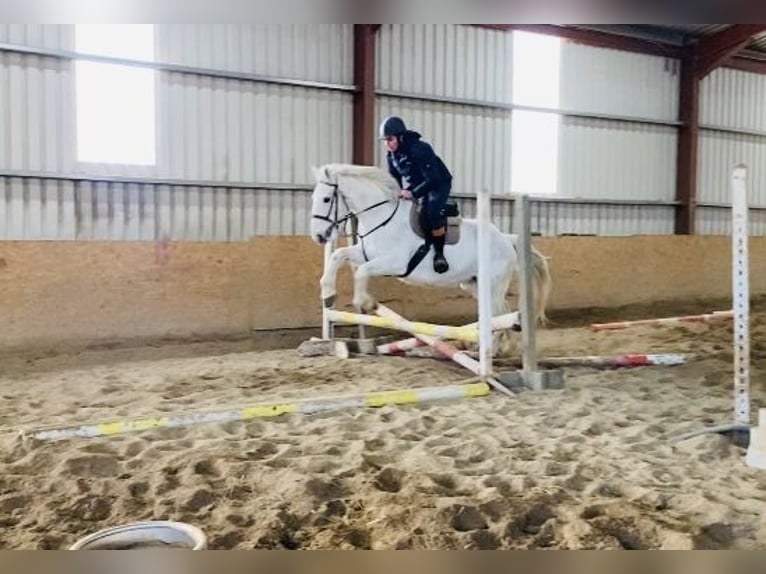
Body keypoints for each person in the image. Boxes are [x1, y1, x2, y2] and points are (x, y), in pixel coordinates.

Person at [379, 115, 453, 274]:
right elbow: (395, 179)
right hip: (419, 182)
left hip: (438, 183)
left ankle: (439, 255)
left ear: (400, 137)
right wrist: (395, 193)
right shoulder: (391, 156)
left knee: (431, 211)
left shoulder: (420, 149)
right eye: (385, 141)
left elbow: (433, 179)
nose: (387, 144)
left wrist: (412, 192)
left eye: (390, 139)